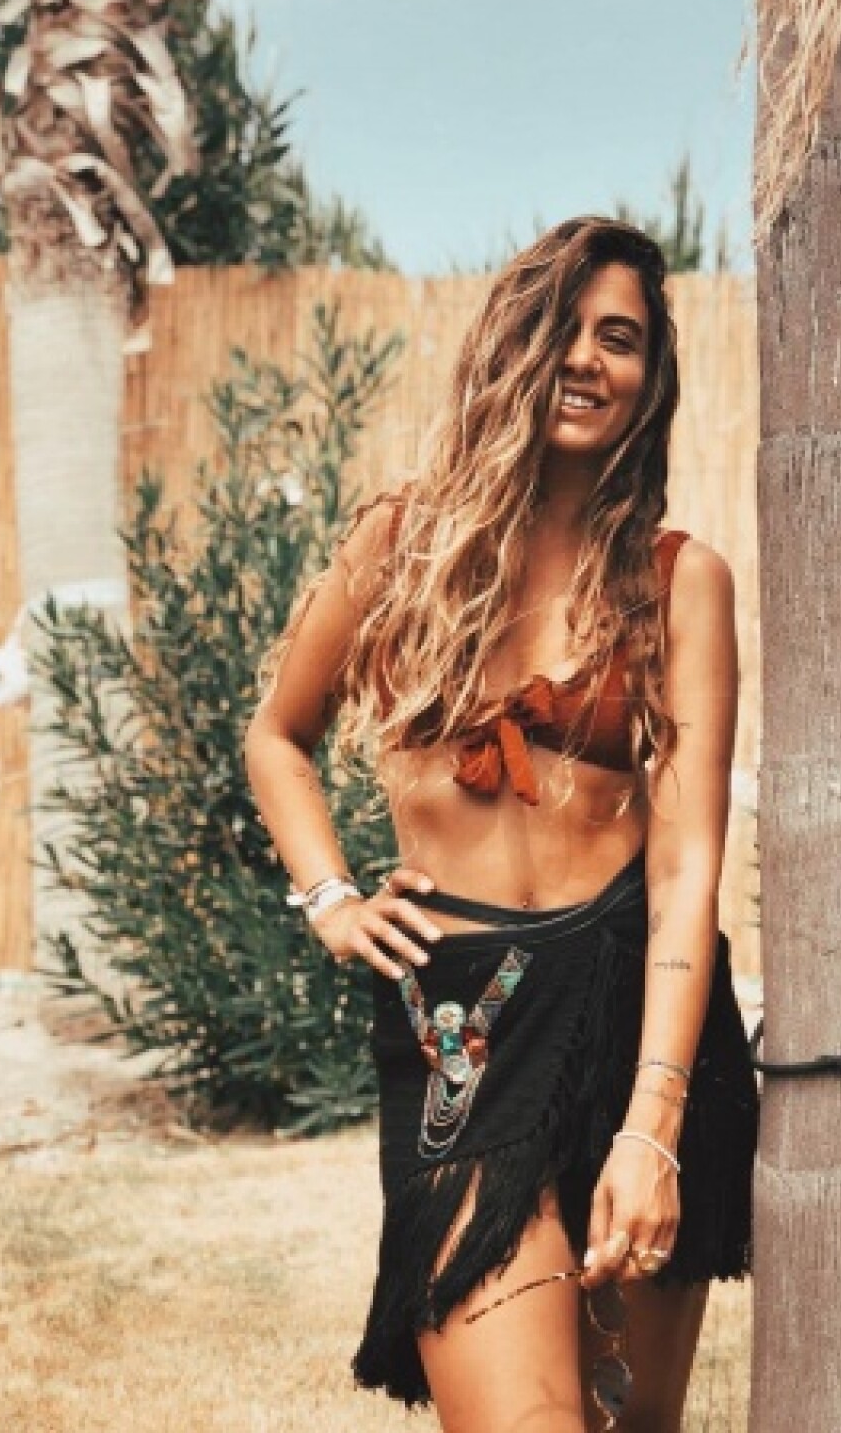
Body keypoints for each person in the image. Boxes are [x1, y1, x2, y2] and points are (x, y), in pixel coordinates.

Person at [244, 215, 758, 1432]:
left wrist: (653, 1127)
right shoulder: (399, 546)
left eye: (618, 338)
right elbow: (279, 736)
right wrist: (329, 898)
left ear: (650, 377)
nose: (585, 359)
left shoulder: (678, 581)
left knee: (632, 1426)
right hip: (463, 1029)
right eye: (560, 329)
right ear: (507, 347)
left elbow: (685, 868)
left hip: (639, 1014)